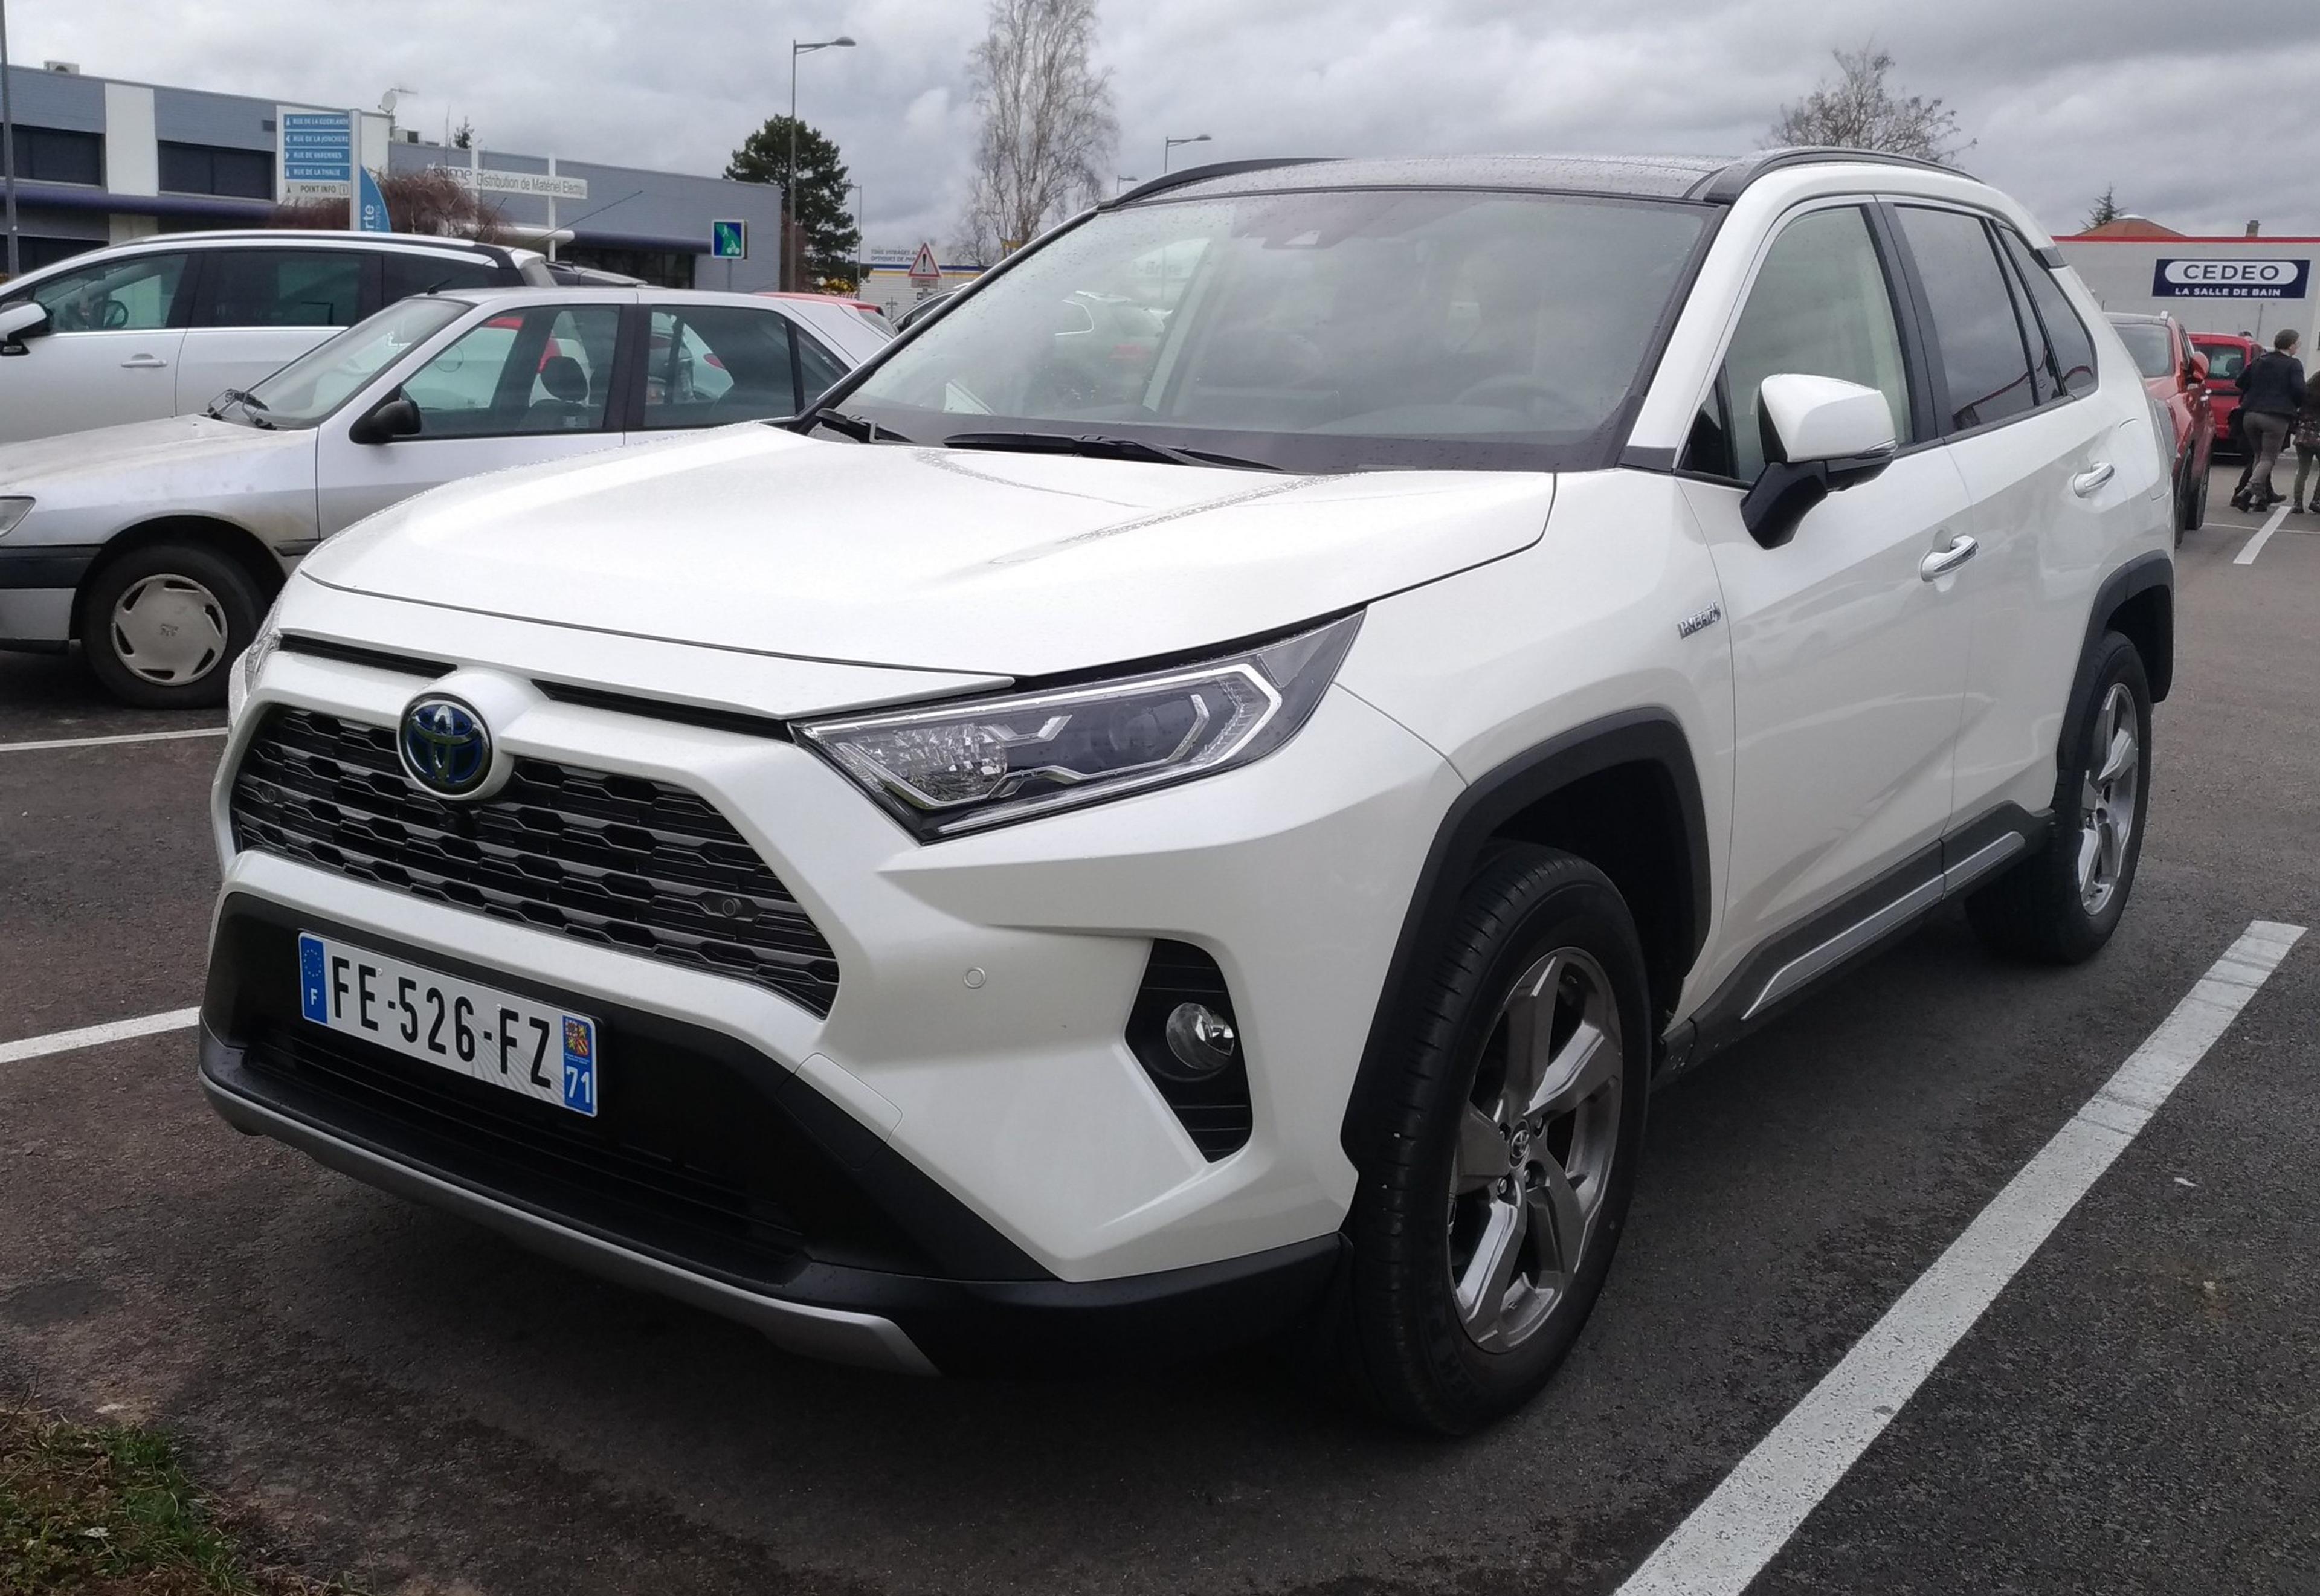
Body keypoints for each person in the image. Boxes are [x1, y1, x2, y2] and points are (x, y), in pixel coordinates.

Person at [2232, 328, 2304, 512]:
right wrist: (2294, 404)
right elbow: (2299, 390)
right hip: (2276, 417)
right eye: (2297, 344)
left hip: (2250, 414)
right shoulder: (2293, 365)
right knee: (2268, 458)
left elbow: (2240, 382)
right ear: (2291, 345)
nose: (2298, 347)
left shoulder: (2260, 361)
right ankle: (2247, 492)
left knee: (2259, 455)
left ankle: (2261, 498)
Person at [2295, 367, 2320, 513]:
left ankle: (2298, 503)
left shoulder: (2306, 396)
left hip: (2303, 435)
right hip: (2318, 436)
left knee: (2303, 471)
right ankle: (2316, 500)